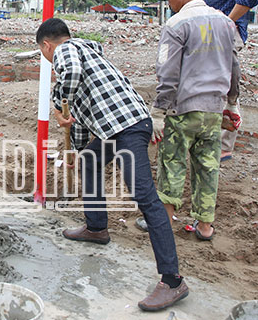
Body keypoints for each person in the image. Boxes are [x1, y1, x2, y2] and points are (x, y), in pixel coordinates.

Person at [37, 18, 188, 312]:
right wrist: (76, 153)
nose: (48, 60)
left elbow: (69, 80)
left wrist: (57, 104)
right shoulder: (91, 56)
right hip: (114, 129)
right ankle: (96, 228)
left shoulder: (67, 50)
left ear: (47, 45)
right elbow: (78, 120)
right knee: (90, 161)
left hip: (128, 128)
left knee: (145, 197)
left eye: (44, 54)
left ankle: (173, 281)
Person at [152, 0, 242, 240]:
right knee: (208, 167)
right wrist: (232, 103)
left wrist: (158, 110)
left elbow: (167, 73)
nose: (168, 3)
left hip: (183, 109)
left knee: (172, 164)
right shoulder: (226, 23)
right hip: (213, 110)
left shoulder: (177, 24)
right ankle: (204, 226)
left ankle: (165, 221)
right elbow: (234, 67)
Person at [198, 0, 258, 161]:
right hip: (214, 31)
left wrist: (227, 22)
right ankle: (213, 138)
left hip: (225, 33)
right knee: (212, 85)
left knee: (224, 88)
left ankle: (224, 145)